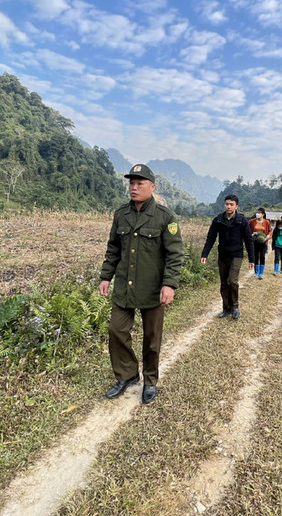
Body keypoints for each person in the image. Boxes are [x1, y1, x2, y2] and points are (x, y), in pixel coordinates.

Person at [98, 163, 184, 405]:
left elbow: (175, 254)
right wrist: (106, 276)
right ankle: (127, 374)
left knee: (152, 337)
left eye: (140, 183)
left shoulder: (165, 217)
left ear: (152, 187)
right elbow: (113, 248)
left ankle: (149, 380)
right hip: (125, 286)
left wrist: (170, 284)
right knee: (116, 330)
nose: (134, 188)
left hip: (153, 288)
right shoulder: (121, 214)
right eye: (131, 183)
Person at [201, 195, 255, 319]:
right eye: (227, 204)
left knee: (232, 281)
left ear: (236, 206)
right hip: (223, 255)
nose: (228, 206)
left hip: (236, 255)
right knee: (224, 283)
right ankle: (226, 308)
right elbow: (211, 238)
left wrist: (251, 259)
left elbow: (248, 240)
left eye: (231, 204)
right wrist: (205, 254)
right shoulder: (218, 220)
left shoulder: (242, 221)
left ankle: (235, 307)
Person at [249, 207, 271, 279]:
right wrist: (251, 235)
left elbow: (270, 231)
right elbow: (248, 230)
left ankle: (261, 273)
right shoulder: (252, 221)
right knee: (256, 256)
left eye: (259, 213)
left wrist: (267, 236)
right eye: (257, 212)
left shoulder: (266, 222)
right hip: (255, 241)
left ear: (263, 214)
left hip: (263, 241)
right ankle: (256, 272)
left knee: (262, 256)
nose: (257, 214)